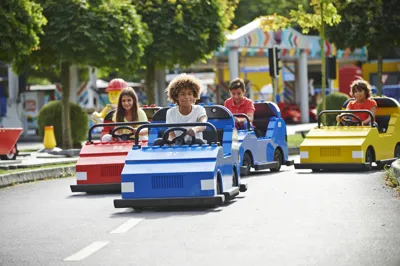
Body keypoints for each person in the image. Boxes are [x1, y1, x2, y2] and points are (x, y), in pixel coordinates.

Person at [154, 74, 207, 146]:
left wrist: (195, 129)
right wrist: (173, 144)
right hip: (178, 146)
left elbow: (203, 125)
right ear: (176, 96)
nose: (187, 97)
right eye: (182, 94)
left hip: (196, 146)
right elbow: (171, 134)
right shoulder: (170, 112)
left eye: (189, 94)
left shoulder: (199, 109)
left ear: (194, 95)